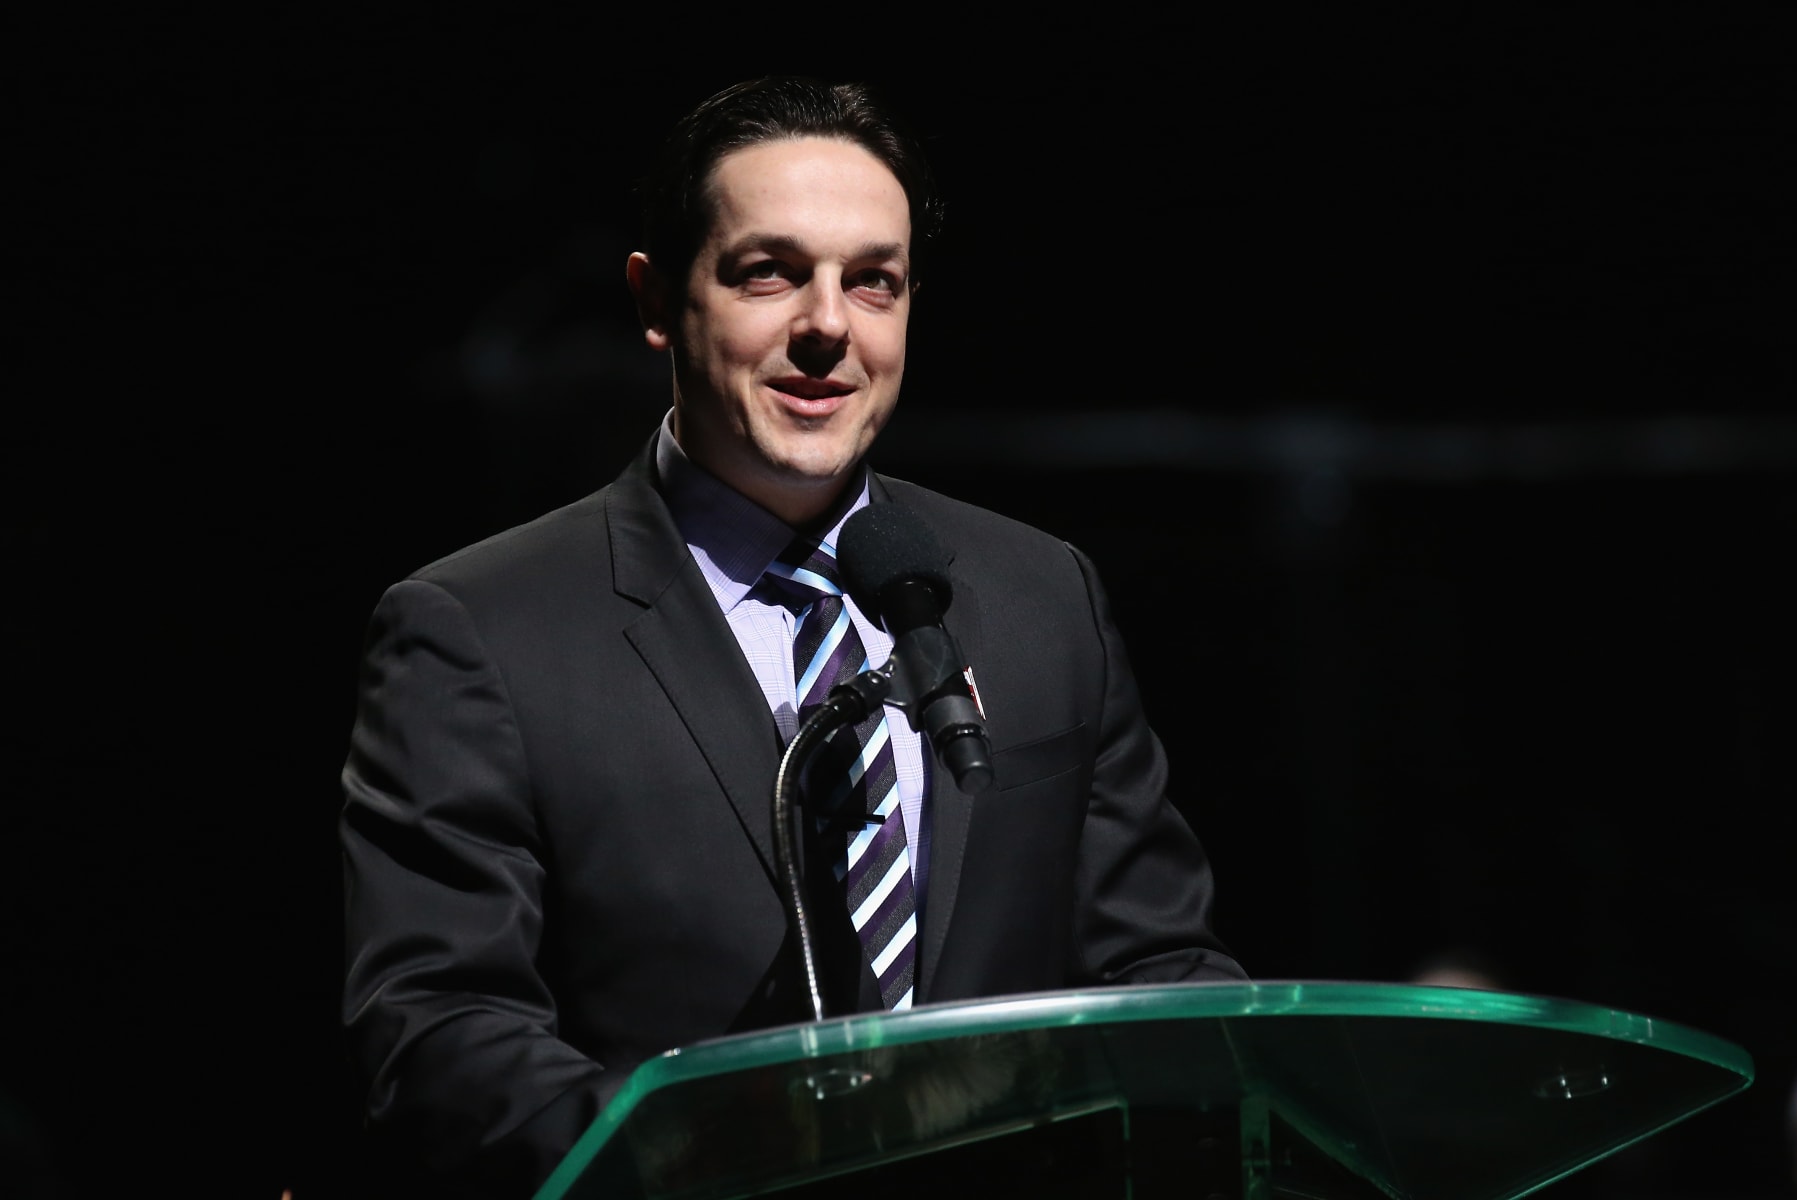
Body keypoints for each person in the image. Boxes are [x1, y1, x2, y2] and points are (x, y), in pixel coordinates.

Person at [339, 75, 1246, 1197]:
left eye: (874, 283)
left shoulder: (1038, 594)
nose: (827, 326)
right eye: (769, 272)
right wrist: (725, 1161)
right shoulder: (480, 630)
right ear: (657, 299)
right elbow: (440, 1032)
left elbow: (1157, 969)